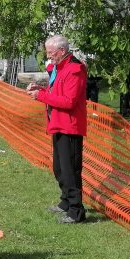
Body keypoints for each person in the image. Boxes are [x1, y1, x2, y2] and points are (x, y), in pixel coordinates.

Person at [26, 35, 88, 223]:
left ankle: (76, 211)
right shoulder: (59, 67)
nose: (48, 56)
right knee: (59, 168)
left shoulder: (75, 69)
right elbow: (55, 93)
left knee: (70, 170)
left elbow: (68, 102)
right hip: (58, 124)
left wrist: (40, 97)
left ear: (62, 51)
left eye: (51, 52)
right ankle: (66, 202)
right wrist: (40, 90)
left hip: (70, 126)